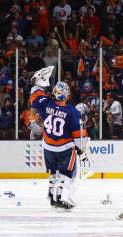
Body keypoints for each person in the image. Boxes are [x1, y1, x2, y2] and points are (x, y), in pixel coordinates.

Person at [28, 66, 88, 210]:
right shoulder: (72, 111)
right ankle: (60, 198)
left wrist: (37, 83)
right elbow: (79, 135)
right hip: (65, 148)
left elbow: (34, 96)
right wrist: (81, 150)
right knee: (66, 174)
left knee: (53, 173)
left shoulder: (45, 103)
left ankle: (51, 194)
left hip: (48, 146)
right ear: (67, 95)